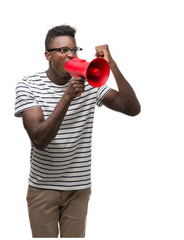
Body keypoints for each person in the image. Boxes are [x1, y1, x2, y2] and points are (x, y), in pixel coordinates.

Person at [14, 24, 140, 238]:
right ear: (48, 55)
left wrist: (112, 65)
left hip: (79, 189)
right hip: (43, 188)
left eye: (74, 49)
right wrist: (67, 98)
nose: (71, 54)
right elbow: (39, 139)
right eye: (63, 50)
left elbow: (132, 109)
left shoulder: (90, 83)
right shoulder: (28, 84)